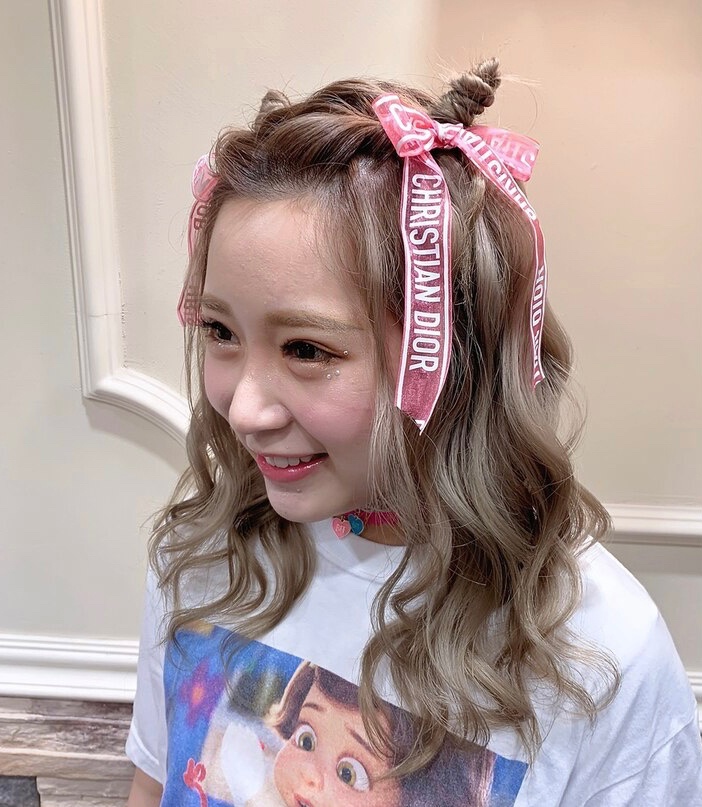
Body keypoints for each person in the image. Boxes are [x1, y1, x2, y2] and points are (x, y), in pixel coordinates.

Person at [125, 59, 702, 806]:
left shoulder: (600, 659)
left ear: (455, 359)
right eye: (220, 331)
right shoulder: (205, 554)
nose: (243, 411)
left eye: (307, 350)